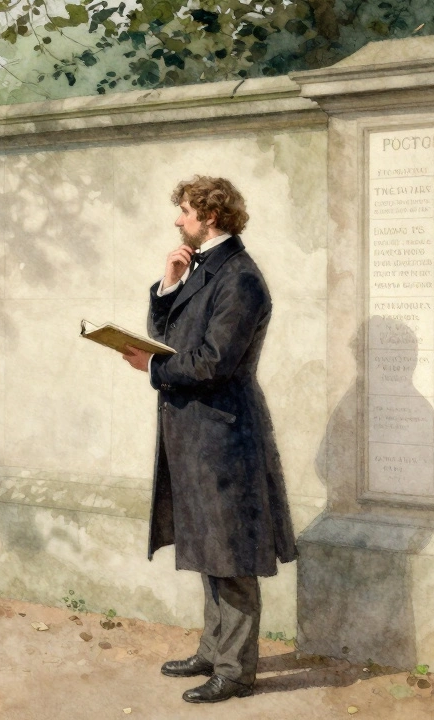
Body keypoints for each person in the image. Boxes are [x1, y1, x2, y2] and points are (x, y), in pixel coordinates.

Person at [121, 176, 297, 704]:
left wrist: (152, 364)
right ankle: (213, 650)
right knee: (205, 545)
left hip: (225, 433)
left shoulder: (240, 278)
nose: (178, 220)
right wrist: (169, 283)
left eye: (185, 212)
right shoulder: (206, 268)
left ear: (211, 217)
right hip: (196, 431)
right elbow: (172, 337)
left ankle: (236, 671)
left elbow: (213, 363)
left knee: (232, 554)